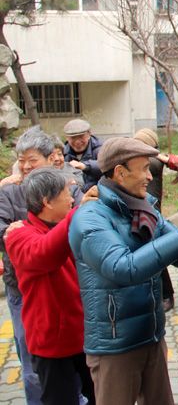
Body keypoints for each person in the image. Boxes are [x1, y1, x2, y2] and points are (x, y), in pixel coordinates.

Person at [68, 137, 178, 405]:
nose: (150, 177)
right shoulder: (91, 218)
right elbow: (123, 268)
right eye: (144, 169)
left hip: (151, 335)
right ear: (120, 173)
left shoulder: (143, 208)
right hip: (115, 346)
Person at [0, 126, 84, 405]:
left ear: (51, 159)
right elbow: (39, 250)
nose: (25, 166)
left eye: (31, 160)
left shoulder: (68, 186)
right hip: (25, 292)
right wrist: (12, 232)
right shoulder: (9, 192)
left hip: (75, 312)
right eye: (21, 160)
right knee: (35, 370)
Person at [134, 128, 175, 312]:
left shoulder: (153, 162)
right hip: (142, 210)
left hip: (151, 213)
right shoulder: (146, 159)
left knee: (157, 254)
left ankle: (167, 294)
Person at [63, 119, 103, 191]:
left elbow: (107, 166)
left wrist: (86, 166)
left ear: (89, 134)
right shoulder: (62, 153)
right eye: (73, 138)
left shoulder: (101, 149)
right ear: (67, 138)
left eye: (81, 136)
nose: (77, 142)